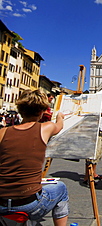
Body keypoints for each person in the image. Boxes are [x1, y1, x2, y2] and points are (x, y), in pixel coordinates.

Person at [0, 89, 69, 225]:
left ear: (20, 109)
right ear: (42, 110)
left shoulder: (3, 132)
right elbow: (59, 126)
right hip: (28, 203)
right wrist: (60, 117)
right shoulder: (46, 128)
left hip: (1, 202)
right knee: (61, 189)